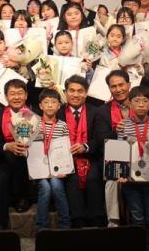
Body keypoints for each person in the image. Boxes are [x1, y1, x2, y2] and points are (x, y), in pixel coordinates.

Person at [59, 75, 108, 227]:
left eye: (80, 91)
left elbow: (100, 138)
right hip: (66, 158)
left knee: (93, 177)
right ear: (65, 93)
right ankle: (78, 220)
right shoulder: (58, 112)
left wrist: (85, 146)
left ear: (86, 93)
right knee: (72, 179)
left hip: (91, 156)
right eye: (71, 90)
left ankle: (96, 218)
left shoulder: (96, 112)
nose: (75, 94)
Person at [119, 86, 149, 251]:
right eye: (136, 101)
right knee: (137, 217)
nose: (141, 104)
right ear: (130, 104)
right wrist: (121, 172)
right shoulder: (123, 125)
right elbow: (120, 150)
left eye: (145, 101)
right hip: (131, 178)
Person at [0, 79, 33, 229]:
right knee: (0, 176)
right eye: (12, 94)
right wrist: (7, 146)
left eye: (20, 93)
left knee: (21, 159)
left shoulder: (33, 115)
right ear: (6, 97)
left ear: (26, 95)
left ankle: (22, 198)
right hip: (3, 158)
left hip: (28, 159)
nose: (16, 97)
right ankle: (0, 222)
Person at [96, 69, 133, 227]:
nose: (118, 89)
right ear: (109, 89)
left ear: (129, 85)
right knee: (112, 180)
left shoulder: (142, 104)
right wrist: (115, 131)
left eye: (121, 85)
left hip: (139, 156)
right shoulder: (102, 111)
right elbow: (100, 140)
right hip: (115, 157)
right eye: (113, 86)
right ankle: (113, 222)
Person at [34, 88, 71, 230]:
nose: (50, 105)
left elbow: (65, 150)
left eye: (53, 102)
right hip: (39, 170)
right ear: (40, 106)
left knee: (56, 185)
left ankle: (65, 225)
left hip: (57, 169)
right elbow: (29, 149)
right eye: (46, 102)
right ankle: (41, 227)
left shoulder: (63, 126)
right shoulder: (34, 124)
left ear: (59, 106)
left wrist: (64, 169)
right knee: (45, 187)